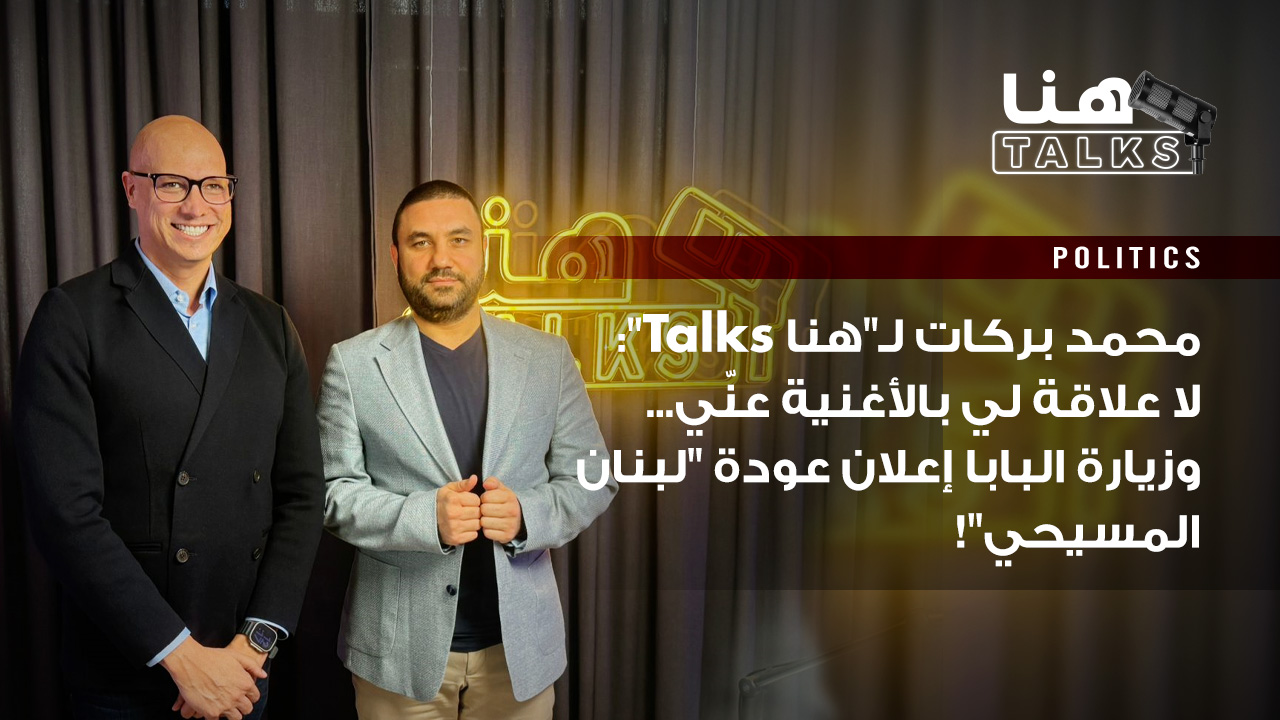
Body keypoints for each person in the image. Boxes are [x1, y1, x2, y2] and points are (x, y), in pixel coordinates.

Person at [13, 115, 325, 720]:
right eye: (173, 184)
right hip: (128, 672)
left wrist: (255, 643)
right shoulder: (73, 316)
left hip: (244, 671)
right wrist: (181, 657)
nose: (196, 205)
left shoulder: (269, 325)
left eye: (214, 186)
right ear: (132, 189)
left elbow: (302, 495)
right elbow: (65, 514)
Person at [319, 180, 617, 718]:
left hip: (519, 653)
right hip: (397, 655)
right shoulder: (353, 363)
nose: (441, 259)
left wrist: (526, 514)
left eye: (458, 240)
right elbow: (331, 494)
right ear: (396, 256)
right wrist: (423, 518)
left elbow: (593, 478)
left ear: (483, 250)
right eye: (421, 242)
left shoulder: (548, 358)